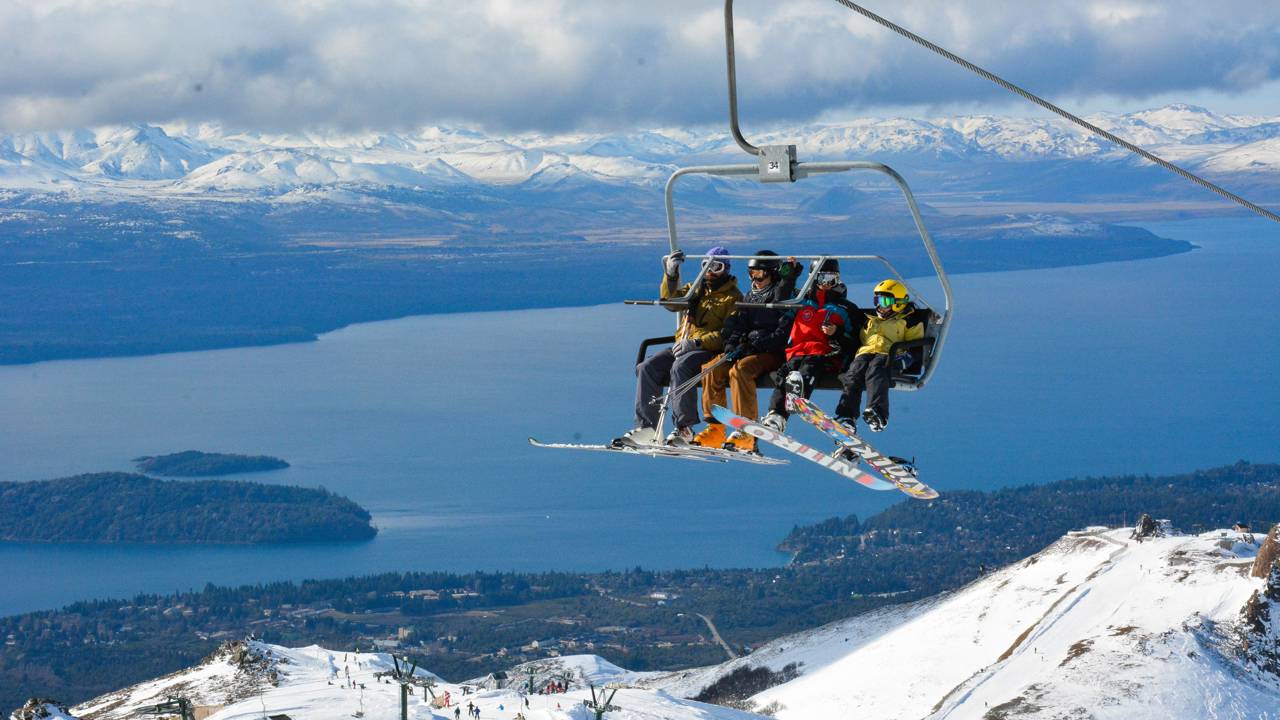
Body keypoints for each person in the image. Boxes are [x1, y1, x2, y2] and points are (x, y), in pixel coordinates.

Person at [613, 247, 741, 446]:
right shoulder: (695, 289)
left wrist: (697, 342)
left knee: (681, 366)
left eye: (716, 266)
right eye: (705, 265)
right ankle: (648, 427)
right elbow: (671, 303)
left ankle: (684, 427)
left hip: (708, 349)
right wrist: (671, 275)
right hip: (683, 344)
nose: (710, 271)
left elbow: (728, 334)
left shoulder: (732, 298)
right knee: (647, 367)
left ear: (726, 269)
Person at [693, 250, 800, 452]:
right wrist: (732, 344)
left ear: (773, 273)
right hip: (749, 349)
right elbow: (738, 325)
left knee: (740, 370)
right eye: (751, 274)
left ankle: (747, 430)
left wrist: (757, 343)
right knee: (712, 367)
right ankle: (715, 427)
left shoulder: (784, 297)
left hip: (772, 353)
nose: (755, 279)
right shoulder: (750, 296)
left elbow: (783, 332)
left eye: (759, 274)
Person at [759, 259, 857, 432]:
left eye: (831, 279)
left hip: (824, 354)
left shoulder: (844, 308)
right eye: (822, 279)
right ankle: (777, 415)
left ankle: (798, 397)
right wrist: (789, 276)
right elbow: (780, 303)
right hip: (796, 352)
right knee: (785, 374)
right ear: (813, 278)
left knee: (807, 369)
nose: (826, 284)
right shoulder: (802, 302)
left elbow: (854, 338)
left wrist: (837, 333)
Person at [833, 278, 924, 434]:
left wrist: (905, 359)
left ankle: (878, 413)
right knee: (854, 374)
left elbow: (916, 346)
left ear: (898, 302)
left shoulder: (909, 321)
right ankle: (846, 416)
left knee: (876, 371)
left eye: (885, 300)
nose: (879, 305)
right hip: (866, 353)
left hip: (890, 355)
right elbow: (859, 338)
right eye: (877, 300)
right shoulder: (871, 320)